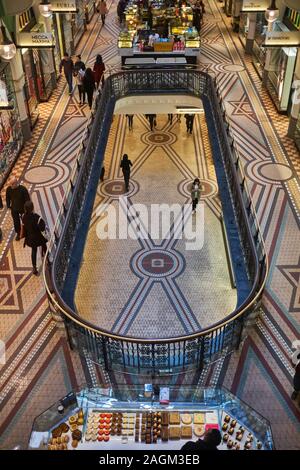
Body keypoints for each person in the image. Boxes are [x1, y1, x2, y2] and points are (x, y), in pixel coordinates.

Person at [22, 201, 47, 276]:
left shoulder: (24, 217)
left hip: (30, 238)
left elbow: (24, 228)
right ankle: (46, 257)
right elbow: (42, 228)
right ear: (32, 208)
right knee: (44, 245)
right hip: (39, 237)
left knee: (34, 251)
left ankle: (34, 267)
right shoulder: (37, 217)